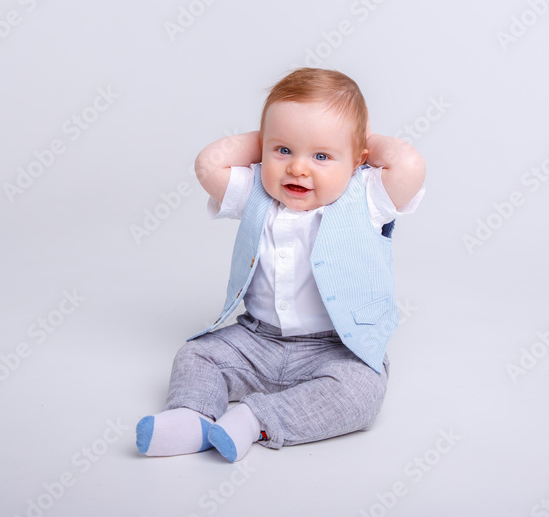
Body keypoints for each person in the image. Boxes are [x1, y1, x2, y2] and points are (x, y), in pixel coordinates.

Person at [136, 67, 426, 462]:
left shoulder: (366, 196)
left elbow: (409, 165)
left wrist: (357, 139)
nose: (298, 168)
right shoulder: (257, 189)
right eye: (284, 151)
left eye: (322, 155)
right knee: (196, 354)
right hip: (257, 339)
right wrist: (276, 134)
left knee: (361, 392)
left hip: (336, 348)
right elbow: (208, 164)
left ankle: (255, 419)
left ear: (358, 160)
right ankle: (192, 416)